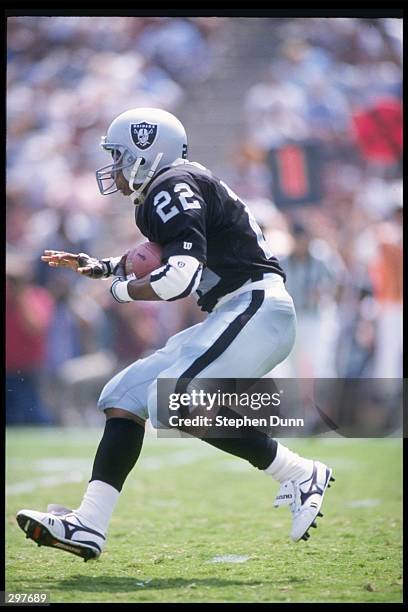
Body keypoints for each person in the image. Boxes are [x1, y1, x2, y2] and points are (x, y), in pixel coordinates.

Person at [16, 108, 334, 561]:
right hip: (236, 309)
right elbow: (166, 257)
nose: (114, 168)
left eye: (120, 155)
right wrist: (104, 266)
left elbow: (177, 278)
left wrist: (121, 291)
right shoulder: (175, 186)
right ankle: (89, 523)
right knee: (123, 394)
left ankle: (298, 472)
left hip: (257, 308)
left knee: (173, 399)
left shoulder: (171, 186)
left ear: (147, 151)